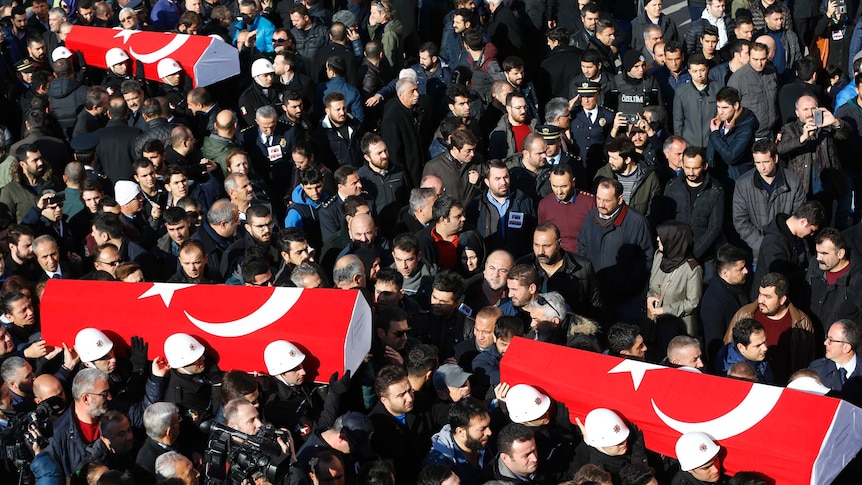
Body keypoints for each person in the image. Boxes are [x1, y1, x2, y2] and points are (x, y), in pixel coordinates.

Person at [578, 179, 654, 323]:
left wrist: (627, 285)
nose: (600, 204)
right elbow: (582, 248)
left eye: (606, 200)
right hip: (596, 295)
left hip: (625, 300)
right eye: (598, 198)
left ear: (620, 199)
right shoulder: (590, 217)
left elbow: (646, 259)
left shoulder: (637, 222)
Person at [723, 272, 816, 383]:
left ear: (782, 300)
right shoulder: (744, 314)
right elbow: (728, 350)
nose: (761, 300)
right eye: (760, 294)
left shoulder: (802, 323)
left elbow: (809, 361)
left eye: (767, 297)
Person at [732, 138, 805, 263]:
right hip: (756, 254)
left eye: (765, 162)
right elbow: (740, 221)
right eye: (758, 162)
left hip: (786, 252)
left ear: (775, 159)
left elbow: (799, 217)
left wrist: (780, 246)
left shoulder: (793, 182)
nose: (762, 167)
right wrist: (764, 245)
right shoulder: (743, 184)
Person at [751, 200, 825, 300]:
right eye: (811, 230)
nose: (812, 234)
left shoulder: (801, 238)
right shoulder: (773, 242)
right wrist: (805, 274)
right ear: (803, 221)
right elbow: (779, 278)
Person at [647, 221, 703, 350]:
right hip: (656, 326)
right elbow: (654, 286)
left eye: (661, 236)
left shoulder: (692, 269)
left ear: (673, 240)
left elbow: (693, 303)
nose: (657, 238)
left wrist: (666, 310)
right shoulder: (659, 256)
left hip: (678, 329)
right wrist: (650, 296)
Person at [369, 365, 429, 484]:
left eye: (409, 390)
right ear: (384, 400)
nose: (410, 398)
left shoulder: (421, 401)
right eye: (401, 395)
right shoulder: (375, 428)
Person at [423, 397, 493, 484]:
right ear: (461, 432)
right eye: (482, 429)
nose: (489, 432)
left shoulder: (483, 442)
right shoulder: (439, 464)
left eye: (488, 426)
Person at [700, 244, 750, 364]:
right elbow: (714, 345)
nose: (746, 271)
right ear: (725, 272)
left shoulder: (736, 287)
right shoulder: (714, 302)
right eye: (740, 269)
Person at [577, 408, 649, 485]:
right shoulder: (600, 471)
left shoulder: (630, 440)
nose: (624, 443)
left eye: (625, 438)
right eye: (618, 443)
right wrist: (638, 454)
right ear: (601, 445)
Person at [706, 86, 758, 183]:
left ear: (736, 106)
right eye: (718, 107)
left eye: (725, 107)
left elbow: (731, 156)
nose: (720, 112)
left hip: (736, 179)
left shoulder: (746, 128)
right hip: (718, 176)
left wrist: (715, 134)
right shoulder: (719, 122)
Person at [727, 42, 777, 140]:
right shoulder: (738, 79)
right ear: (749, 57)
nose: (759, 63)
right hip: (750, 135)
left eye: (763, 59)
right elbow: (730, 108)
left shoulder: (772, 73)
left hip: (771, 133)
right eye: (755, 59)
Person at [809, 319, 862, 405]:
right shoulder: (815, 371)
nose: (825, 343)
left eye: (831, 340)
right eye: (827, 338)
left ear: (846, 347)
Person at [716, 318, 773, 384]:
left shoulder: (758, 355)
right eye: (758, 345)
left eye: (765, 341)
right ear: (741, 347)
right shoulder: (735, 375)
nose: (765, 348)